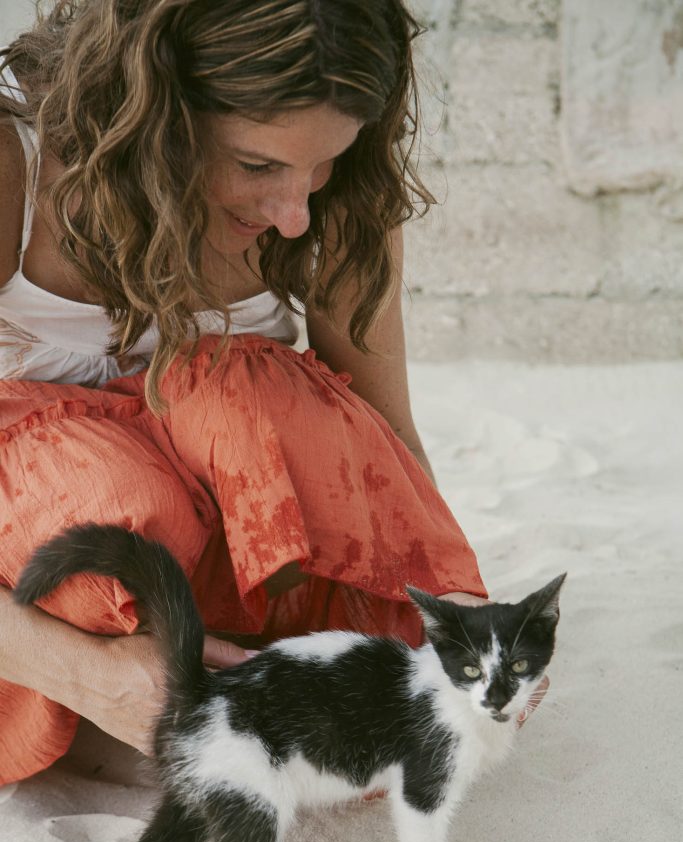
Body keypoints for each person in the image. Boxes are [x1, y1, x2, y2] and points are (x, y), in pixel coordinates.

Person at [0, 0, 546, 787]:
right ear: (147, 116)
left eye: (322, 163)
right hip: (50, 586)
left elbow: (379, 445)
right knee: (106, 507)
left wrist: (453, 614)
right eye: (256, 166)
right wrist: (85, 670)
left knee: (261, 397)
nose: (294, 214)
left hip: (217, 577)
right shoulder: (13, 171)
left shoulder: (338, 201)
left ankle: (216, 700)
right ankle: (88, 712)